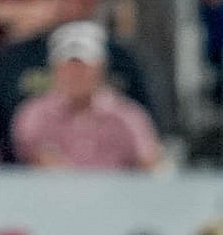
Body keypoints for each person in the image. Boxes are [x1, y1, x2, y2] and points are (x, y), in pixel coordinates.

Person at [10, 21, 161, 170]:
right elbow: (31, 159)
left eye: (84, 67)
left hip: (115, 193)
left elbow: (150, 164)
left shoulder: (127, 116)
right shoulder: (33, 115)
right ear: (55, 69)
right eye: (68, 66)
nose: (75, 74)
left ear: (100, 68)